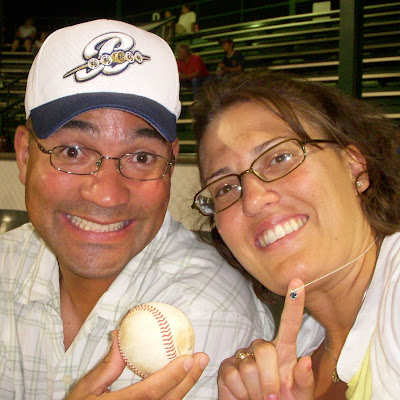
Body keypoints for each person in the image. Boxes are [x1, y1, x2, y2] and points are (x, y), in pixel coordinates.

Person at [0, 21, 275, 400]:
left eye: (142, 157)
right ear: (24, 155)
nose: (106, 195)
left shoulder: (208, 316)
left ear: (171, 164)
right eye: (72, 152)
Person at [190, 71, 400, 399]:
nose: (253, 200)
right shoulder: (304, 349)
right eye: (225, 188)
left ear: (354, 165)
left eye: (279, 158)